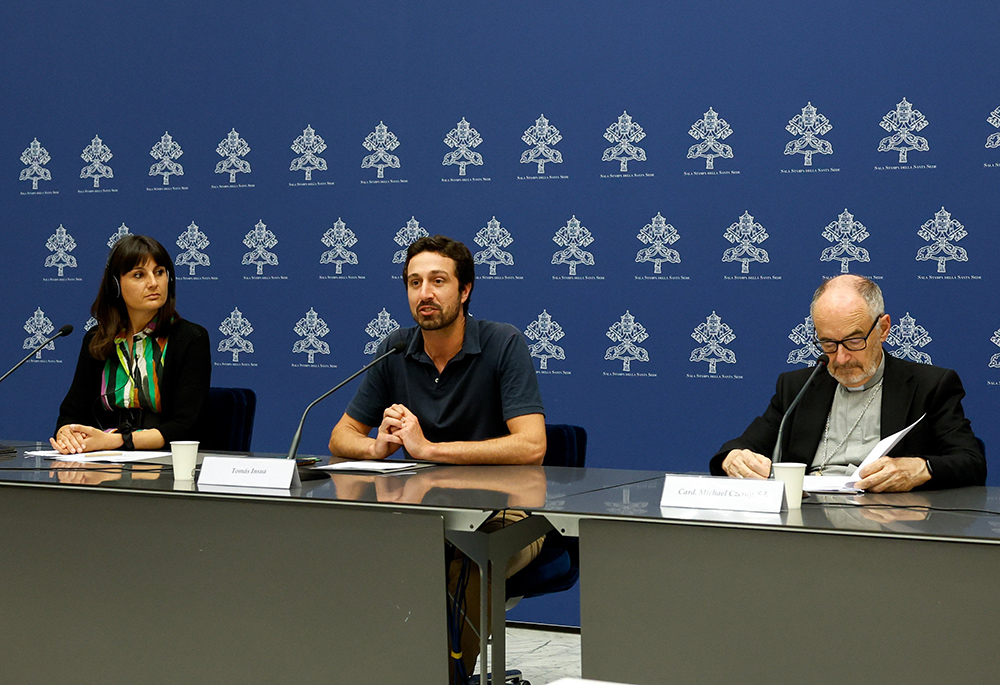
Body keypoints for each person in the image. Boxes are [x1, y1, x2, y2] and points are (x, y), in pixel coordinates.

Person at [328, 234, 546, 682]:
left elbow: (531, 445)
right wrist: (376, 447)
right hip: (424, 515)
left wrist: (429, 450)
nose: (424, 294)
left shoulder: (503, 344)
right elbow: (340, 436)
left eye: (438, 281)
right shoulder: (396, 349)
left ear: (464, 291)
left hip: (509, 516)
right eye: (414, 282)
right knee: (359, 557)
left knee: (466, 565)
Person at [710, 274, 985, 492]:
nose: (840, 358)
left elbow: (971, 462)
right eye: (828, 343)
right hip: (805, 518)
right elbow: (741, 446)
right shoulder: (797, 386)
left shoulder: (929, 385)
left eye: (854, 341)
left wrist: (919, 469)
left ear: (883, 328)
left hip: (886, 522)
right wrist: (733, 458)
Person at [51, 235, 211, 454]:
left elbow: (185, 427)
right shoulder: (97, 339)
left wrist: (115, 441)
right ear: (116, 285)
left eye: (160, 272)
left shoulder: (190, 338)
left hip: (163, 463)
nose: (153, 283)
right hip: (101, 460)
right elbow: (71, 412)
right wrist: (67, 433)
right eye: (139, 275)